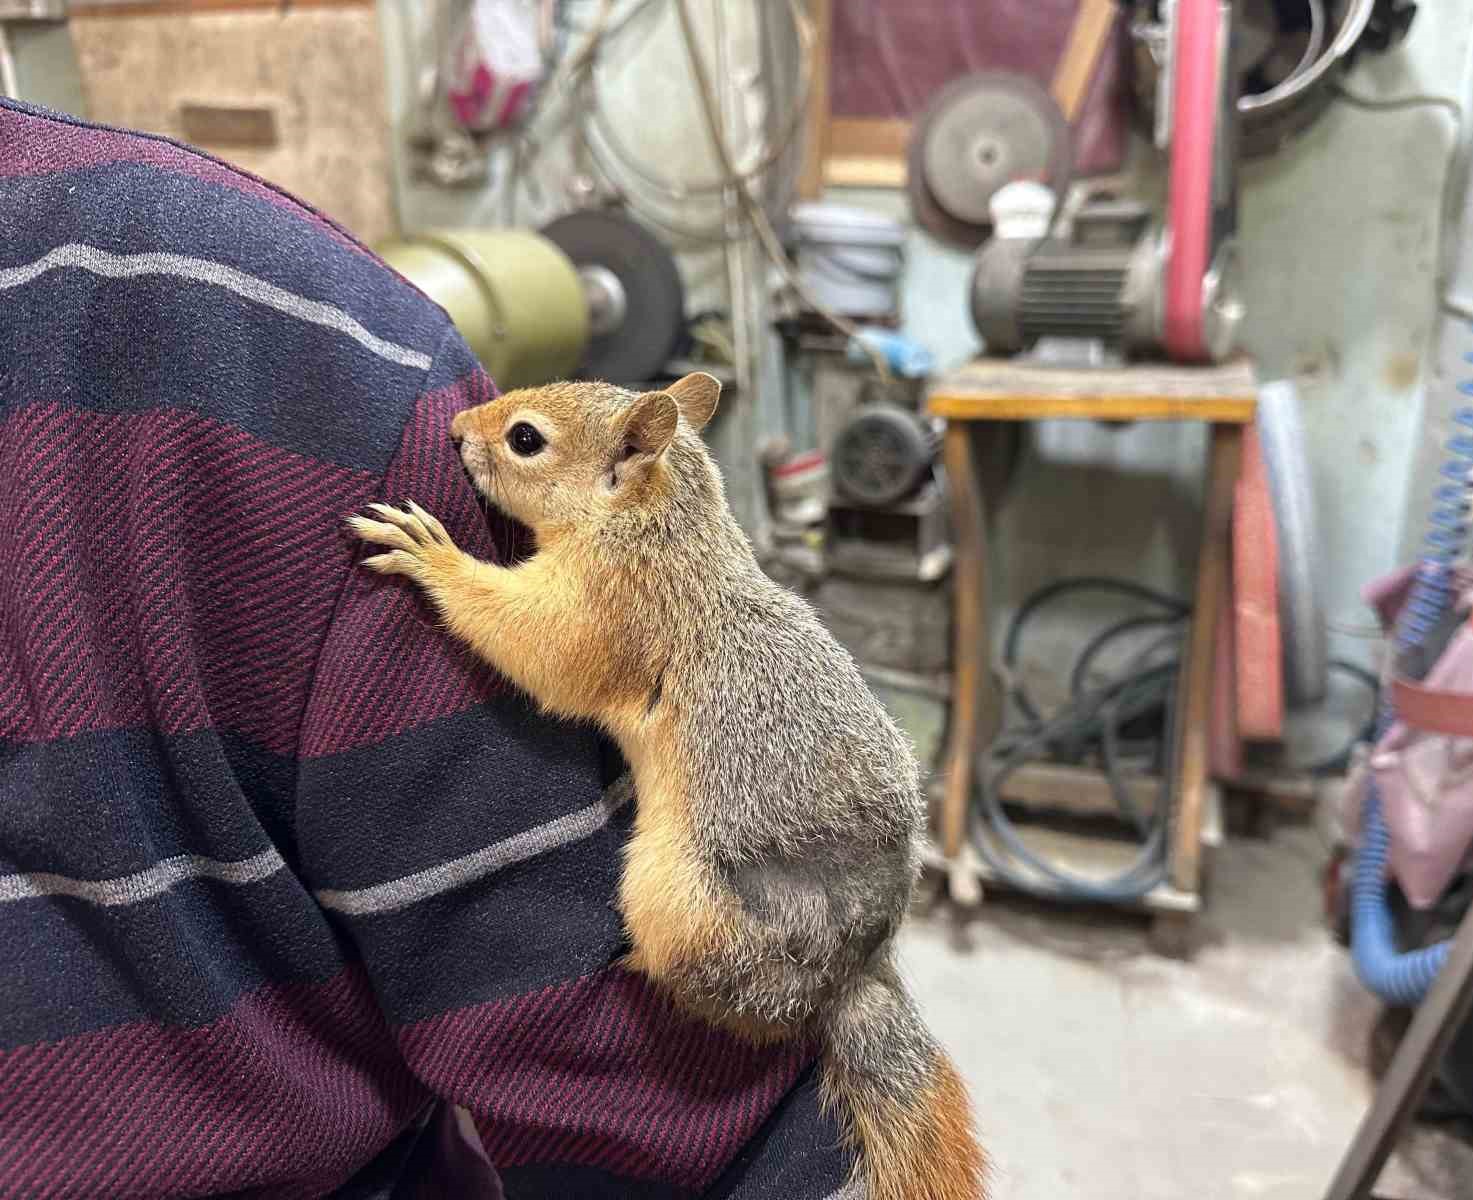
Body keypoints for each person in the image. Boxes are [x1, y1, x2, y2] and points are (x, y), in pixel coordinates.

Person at [0, 97, 856, 1200]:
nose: (464, 437)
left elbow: (652, 1085)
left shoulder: (325, 382)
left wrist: (448, 572)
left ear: (626, 470)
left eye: (523, 442)